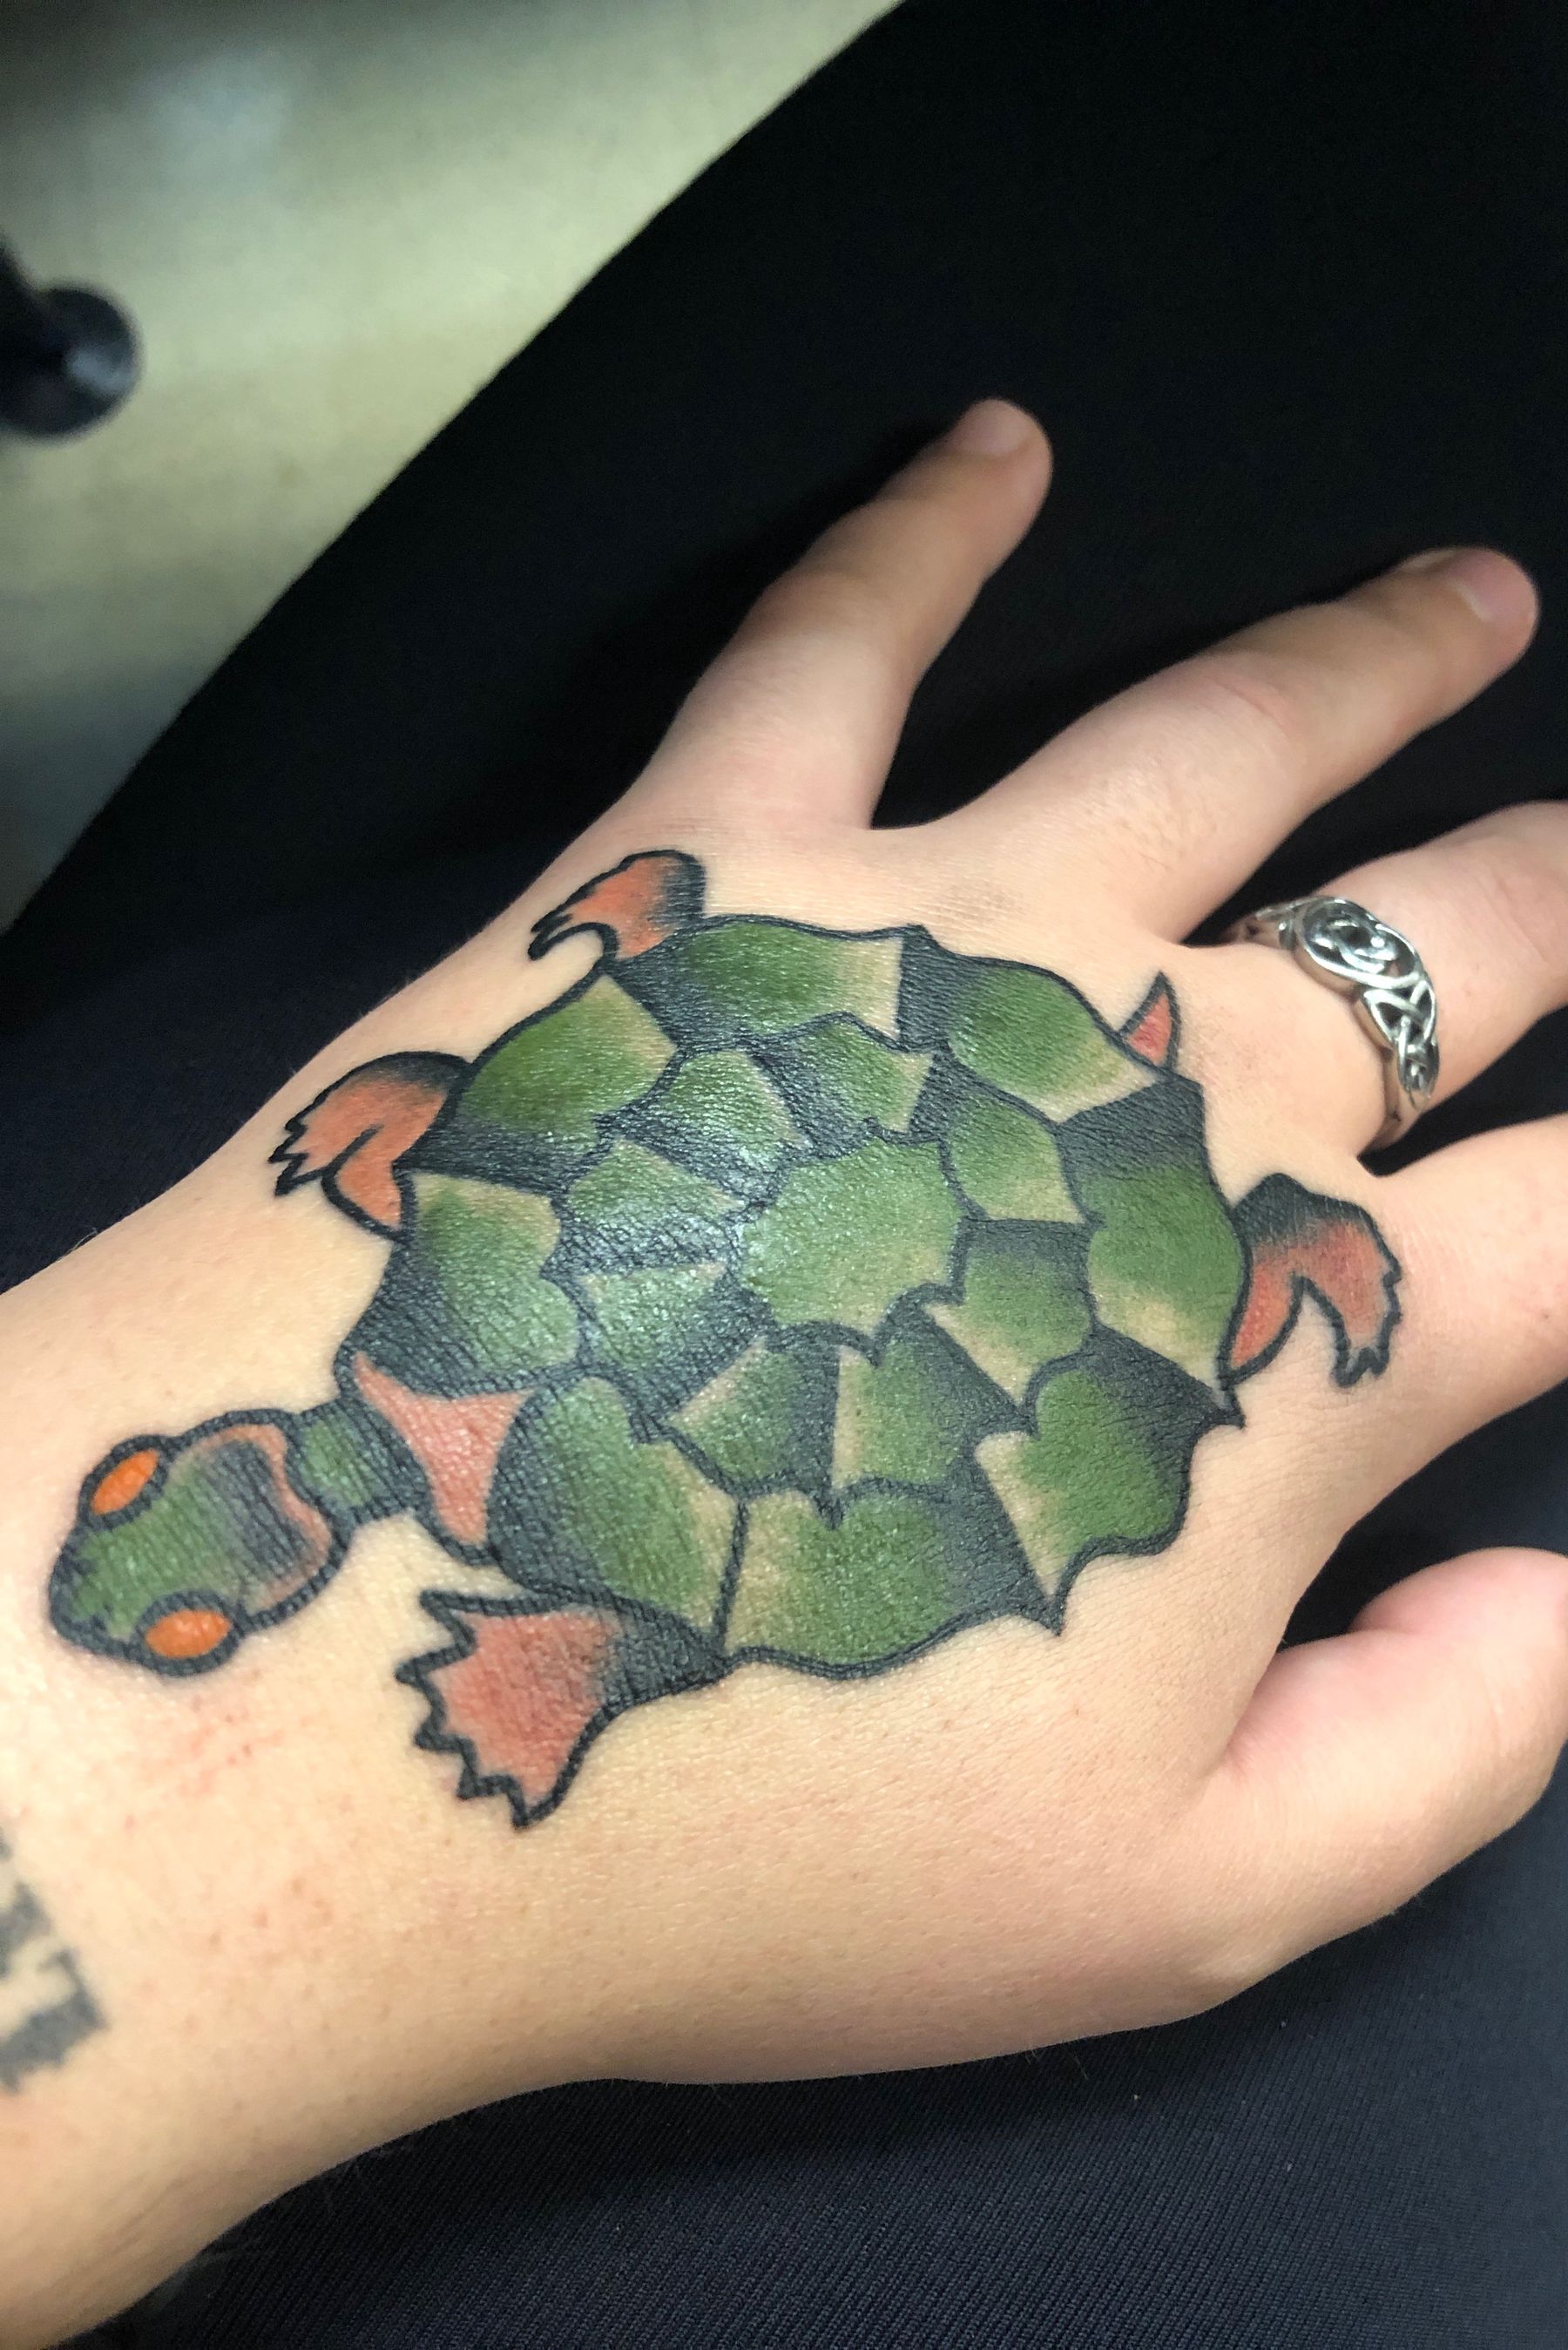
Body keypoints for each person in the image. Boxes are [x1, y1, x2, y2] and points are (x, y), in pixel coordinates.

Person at [3, 6, 1565, 2344]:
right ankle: (1265, 1252)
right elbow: (686, 1598)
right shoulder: (472, 1435)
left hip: (905, 1137)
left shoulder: (406, 1300)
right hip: (960, 1336)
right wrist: (222, 1865)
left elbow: (479, 1165)